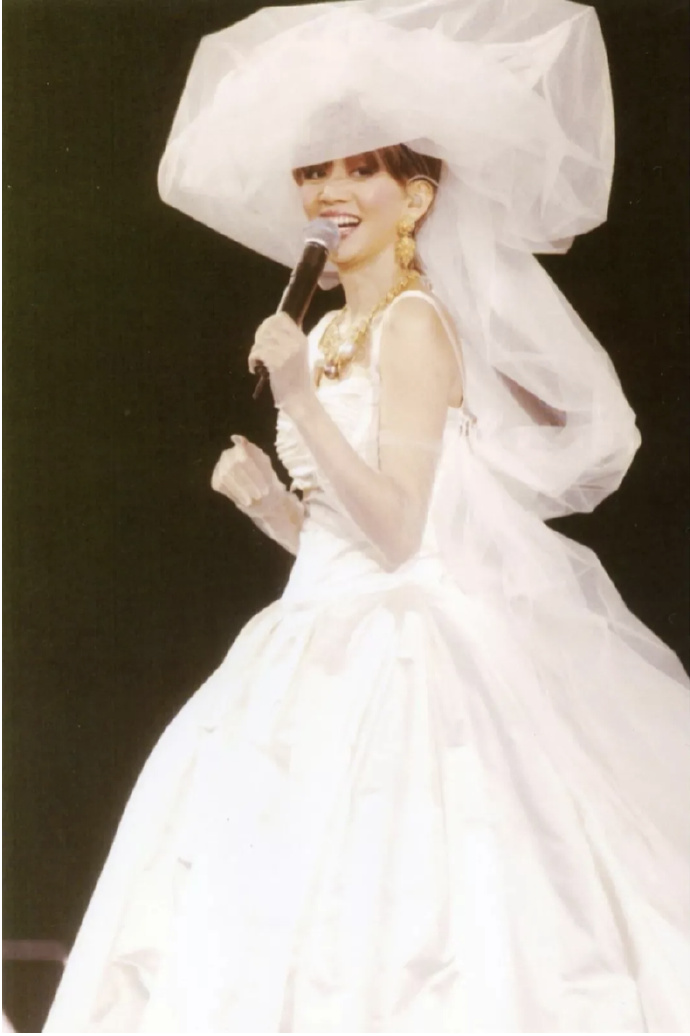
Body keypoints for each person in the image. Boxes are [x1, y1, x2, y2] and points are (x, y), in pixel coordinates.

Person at [44, 0, 690, 1031]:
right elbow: (345, 542)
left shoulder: (415, 325)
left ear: (415, 197)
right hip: (317, 623)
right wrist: (270, 502)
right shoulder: (329, 330)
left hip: (400, 652)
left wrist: (300, 399)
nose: (329, 192)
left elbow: (399, 535)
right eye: (313, 171)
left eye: (359, 170)